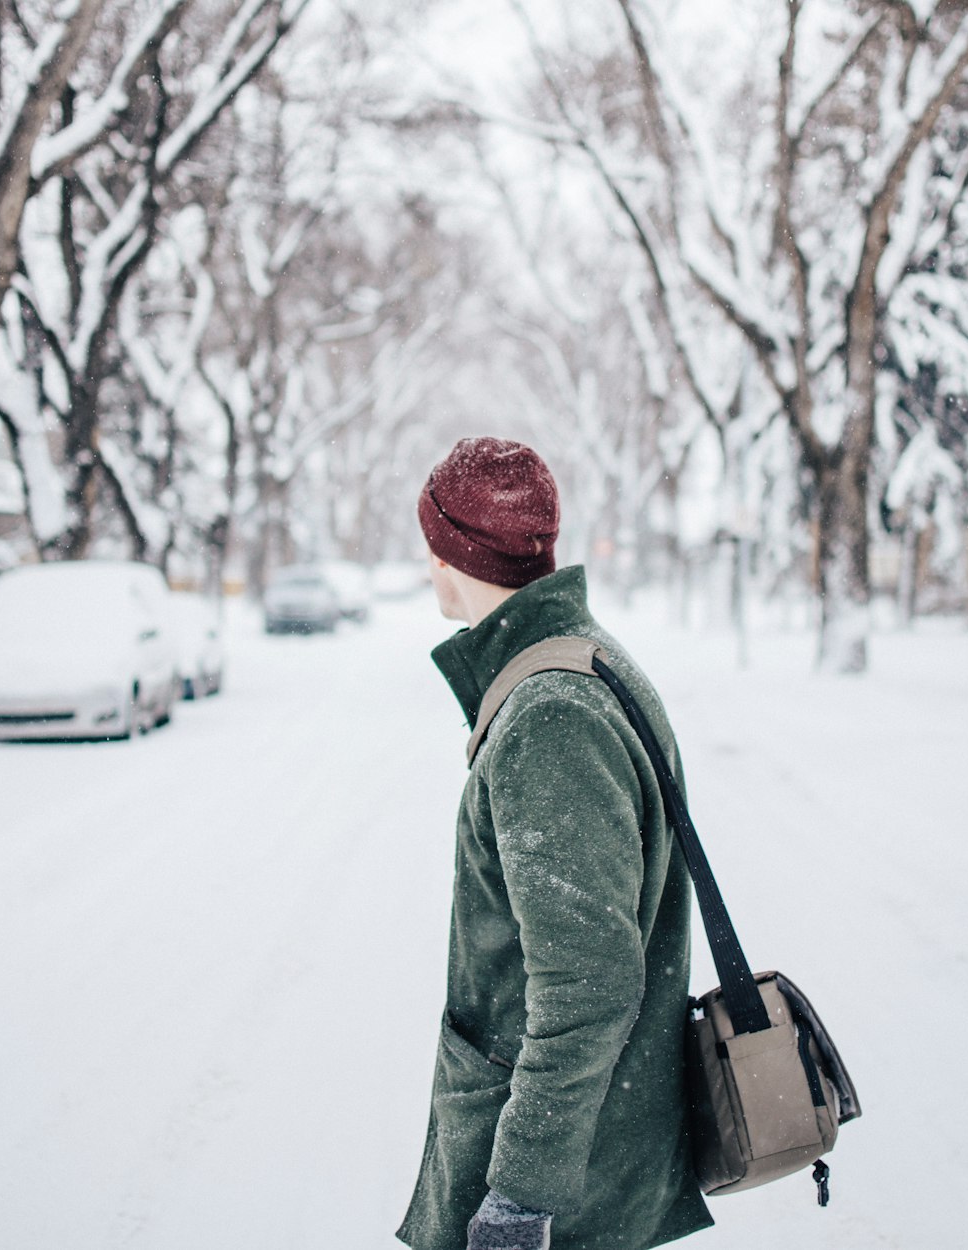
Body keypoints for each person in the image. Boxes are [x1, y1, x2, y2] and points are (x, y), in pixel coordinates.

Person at [397, 438, 713, 1250]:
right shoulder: (583, 662)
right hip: (596, 1158)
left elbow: (590, 985)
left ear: (449, 551)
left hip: (568, 1193)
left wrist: (520, 1199)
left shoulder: (552, 715)